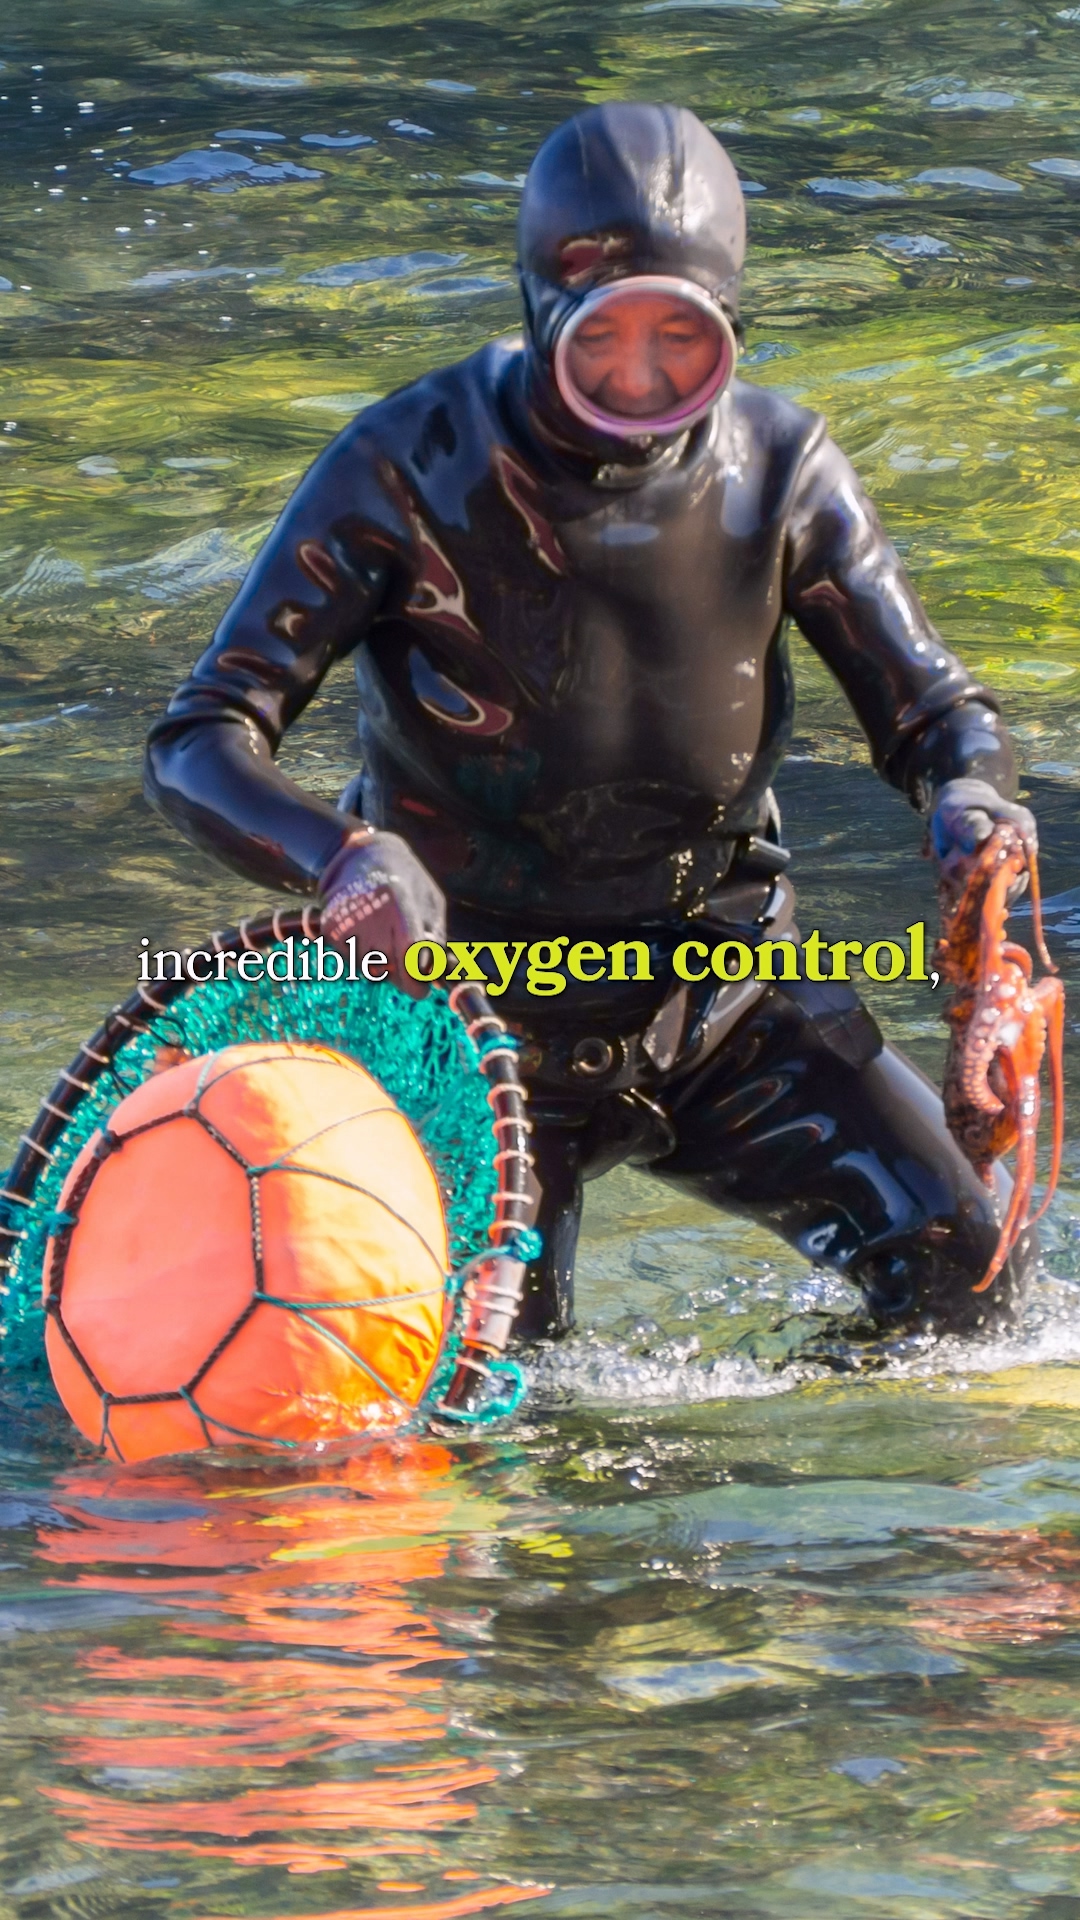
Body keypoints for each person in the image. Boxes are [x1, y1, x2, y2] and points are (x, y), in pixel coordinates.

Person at [145, 101, 1038, 1349]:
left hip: (726, 982)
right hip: (467, 1002)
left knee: (975, 1280)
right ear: (535, 311)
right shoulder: (407, 464)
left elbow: (939, 711)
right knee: (499, 1392)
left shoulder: (780, 466)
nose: (642, 382)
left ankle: (822, 1524)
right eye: (606, 338)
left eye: (684, 339)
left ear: (731, 330)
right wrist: (342, 858)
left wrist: (970, 795)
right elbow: (200, 737)